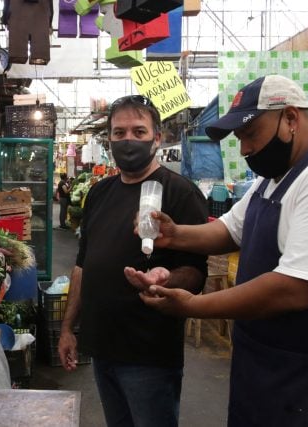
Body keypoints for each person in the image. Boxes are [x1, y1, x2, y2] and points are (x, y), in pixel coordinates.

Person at [126, 75, 308, 427]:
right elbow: (228, 229)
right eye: (239, 138)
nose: (244, 149)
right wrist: (173, 235)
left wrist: (192, 306)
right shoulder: (274, 179)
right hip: (275, 372)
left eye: (250, 134)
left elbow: (293, 289)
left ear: (290, 118)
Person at [58, 95, 208, 427]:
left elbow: (196, 273)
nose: (128, 140)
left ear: (157, 138)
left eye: (139, 132)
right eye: (119, 132)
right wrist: (68, 328)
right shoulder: (99, 193)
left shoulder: (180, 193)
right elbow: (83, 266)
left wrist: (164, 279)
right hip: (102, 347)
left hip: (148, 353)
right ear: (108, 139)